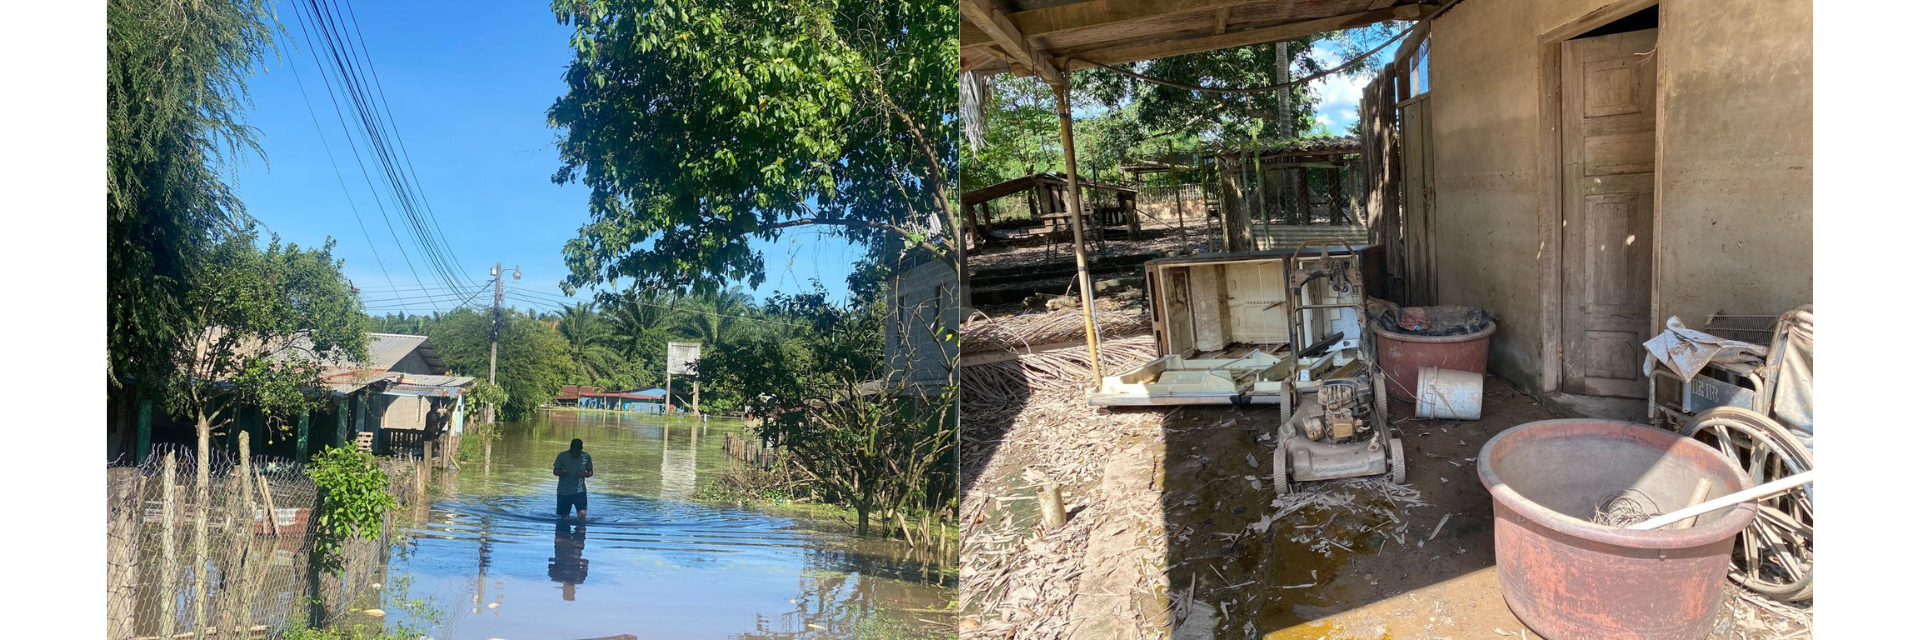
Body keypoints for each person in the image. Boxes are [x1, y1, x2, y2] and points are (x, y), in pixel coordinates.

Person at [553, 438, 593, 520]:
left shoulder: (586, 457)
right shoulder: (562, 456)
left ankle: (581, 530)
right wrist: (562, 472)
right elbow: (555, 471)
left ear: (581, 449)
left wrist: (584, 474)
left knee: (582, 516)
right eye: (573, 451)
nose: (574, 453)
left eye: (577, 452)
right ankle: (564, 531)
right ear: (570, 447)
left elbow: (590, 472)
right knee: (564, 517)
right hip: (563, 491)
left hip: (580, 491)